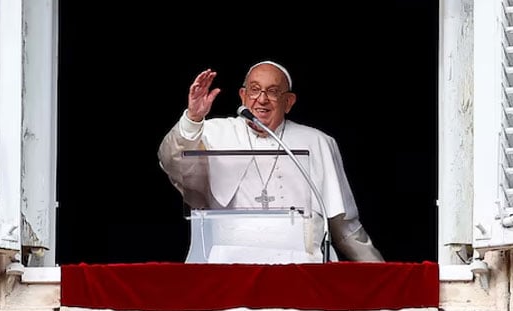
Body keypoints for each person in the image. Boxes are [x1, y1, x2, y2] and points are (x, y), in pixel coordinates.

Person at [158, 60, 384, 263]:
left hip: (304, 270)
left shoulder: (317, 142)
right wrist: (193, 119)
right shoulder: (211, 133)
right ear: (243, 96)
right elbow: (172, 162)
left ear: (289, 102)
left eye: (273, 92)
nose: (262, 99)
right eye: (255, 90)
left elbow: (345, 227)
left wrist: (382, 273)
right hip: (230, 268)